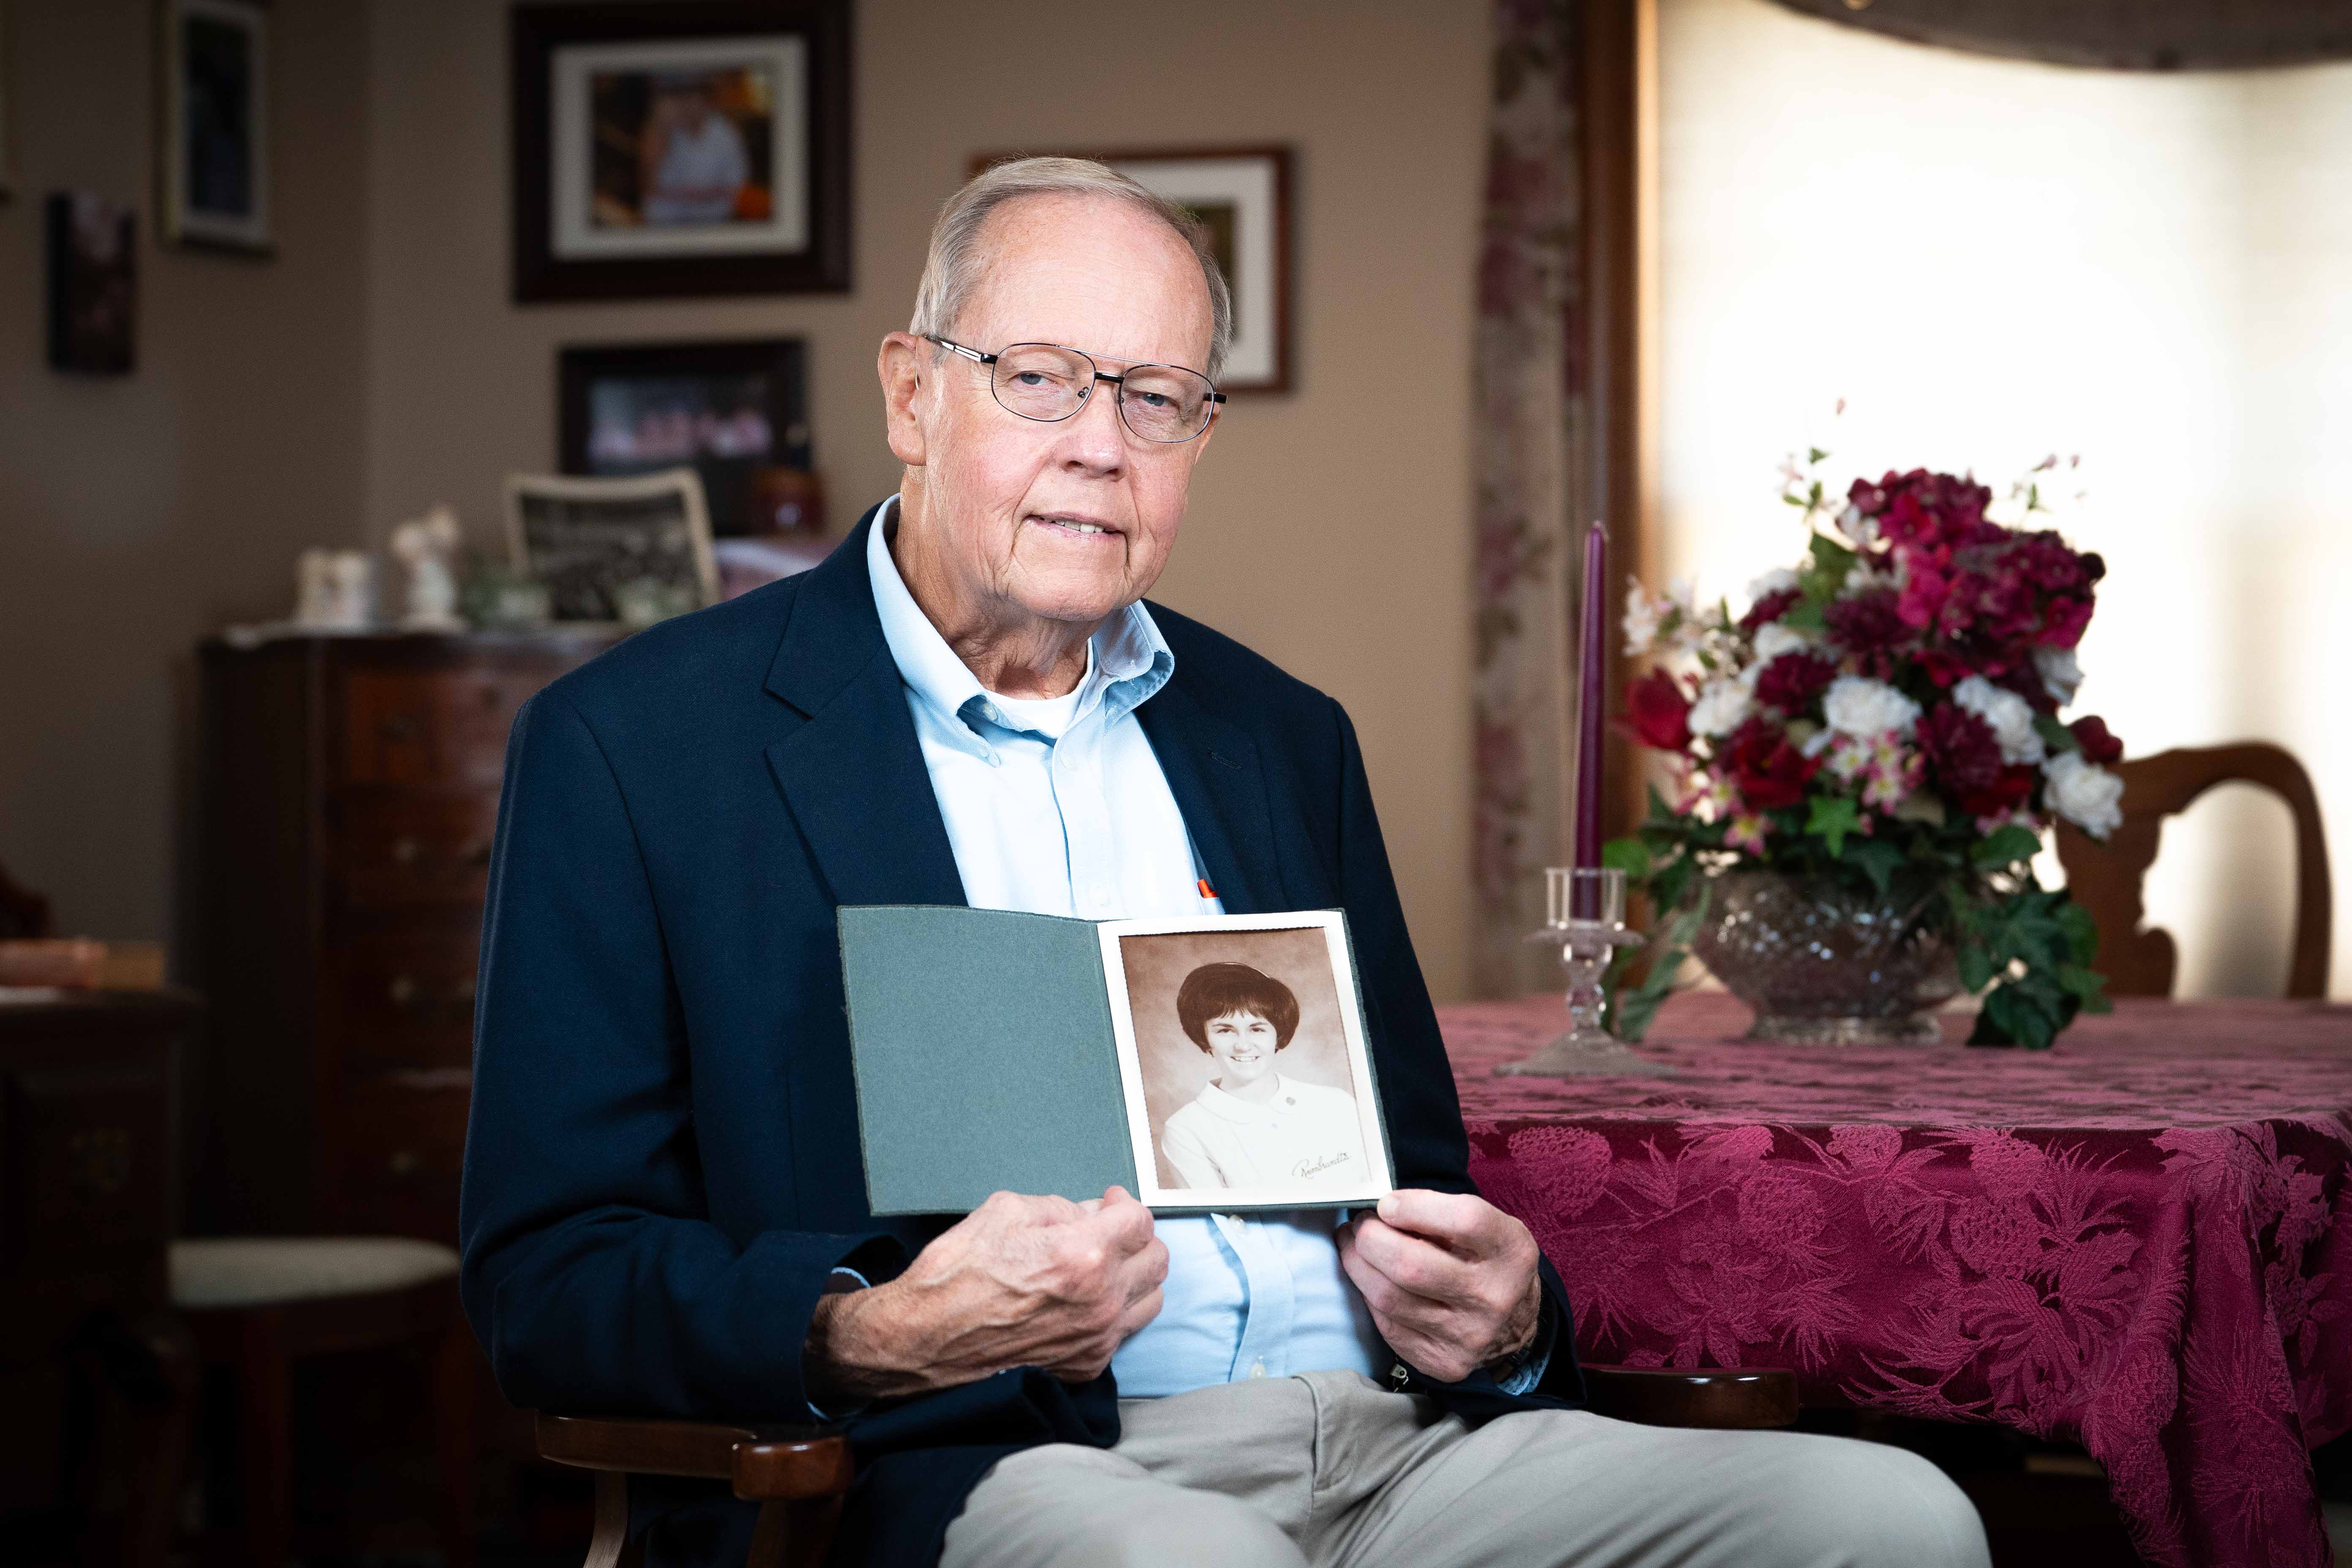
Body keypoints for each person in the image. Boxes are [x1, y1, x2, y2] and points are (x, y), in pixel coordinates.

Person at [460, 157, 1992, 1568]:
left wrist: (1505, 1318)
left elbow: (1420, 1185)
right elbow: (550, 1278)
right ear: (913, 393)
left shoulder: (1282, 737)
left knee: (1888, 1518)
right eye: (1040, 378)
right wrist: (868, 1326)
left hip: (1399, 1448)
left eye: (1155, 399)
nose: (1098, 448)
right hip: (981, 1466)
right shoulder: (640, 745)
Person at [1159, 961, 1371, 1193]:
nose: (1242, 1045)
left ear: (1277, 1035)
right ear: (1204, 1038)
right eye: (1224, 1030)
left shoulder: (1338, 1104)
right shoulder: (1185, 1129)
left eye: (1257, 1029)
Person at [636, 74, 747, 226]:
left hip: (712, 215)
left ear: (707, 102)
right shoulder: (666, 128)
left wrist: (695, 195)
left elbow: (737, 184)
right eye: (682, 98)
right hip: (671, 215)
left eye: (693, 98)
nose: (687, 106)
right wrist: (660, 129)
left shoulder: (724, 131)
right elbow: (649, 185)